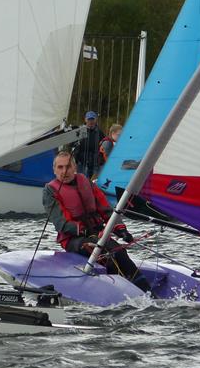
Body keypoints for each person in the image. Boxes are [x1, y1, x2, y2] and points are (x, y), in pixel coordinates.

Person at [44, 151, 150, 292]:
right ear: (54, 170)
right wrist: (84, 230)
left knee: (120, 252)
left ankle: (146, 291)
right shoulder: (50, 190)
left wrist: (121, 229)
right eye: (60, 167)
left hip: (97, 234)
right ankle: (120, 292)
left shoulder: (86, 182)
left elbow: (106, 210)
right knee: (104, 255)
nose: (65, 171)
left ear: (75, 167)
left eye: (68, 167)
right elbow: (60, 223)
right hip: (73, 239)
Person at [72, 111, 105, 179]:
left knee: (94, 183)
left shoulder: (100, 132)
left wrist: (101, 160)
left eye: (92, 119)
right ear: (85, 120)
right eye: (89, 119)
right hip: (82, 163)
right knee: (82, 182)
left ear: (95, 120)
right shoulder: (79, 131)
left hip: (95, 163)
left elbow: (103, 146)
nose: (90, 121)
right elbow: (72, 145)